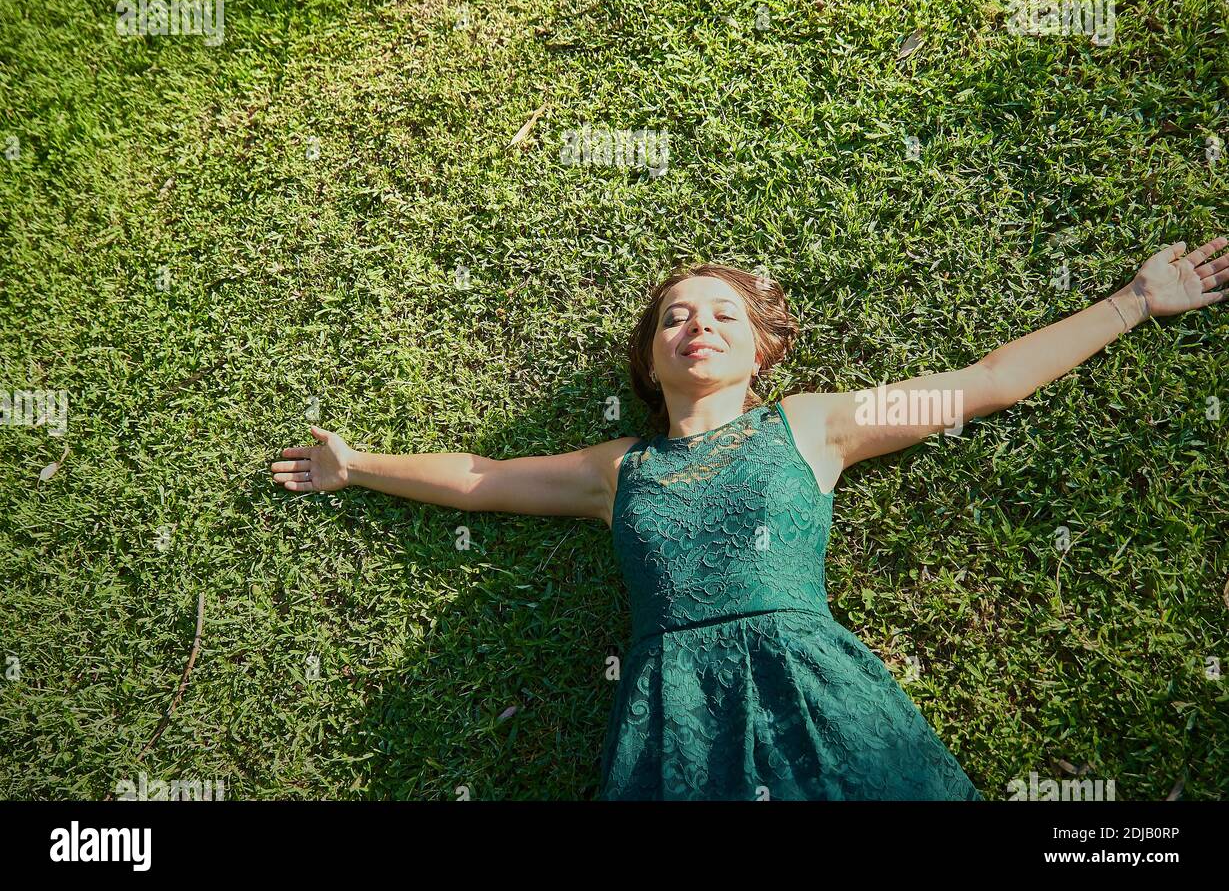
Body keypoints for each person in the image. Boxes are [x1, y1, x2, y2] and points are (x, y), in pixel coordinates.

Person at [270, 236, 1227, 799]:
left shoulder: (812, 427)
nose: (698, 326)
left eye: (723, 314)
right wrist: (358, 467)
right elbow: (482, 476)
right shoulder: (619, 471)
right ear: (650, 361)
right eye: (675, 318)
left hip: (813, 684)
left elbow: (984, 385)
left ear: (761, 351)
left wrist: (1133, 302)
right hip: (670, 707)